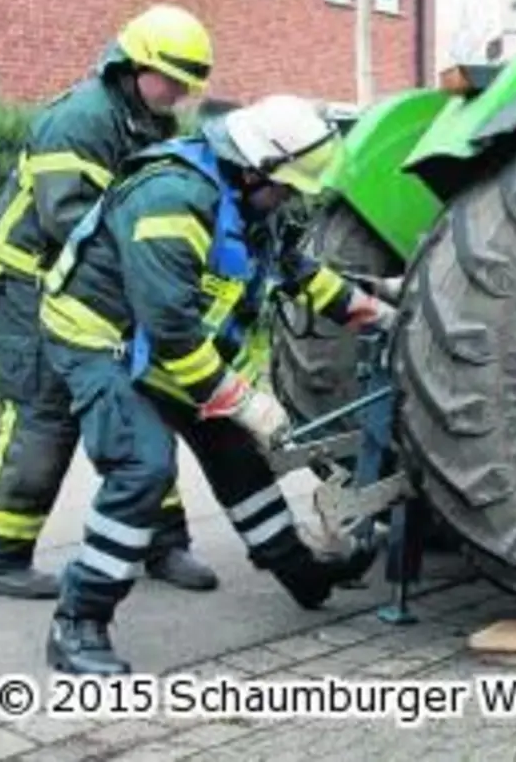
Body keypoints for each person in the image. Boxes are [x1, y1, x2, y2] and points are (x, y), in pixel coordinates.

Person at [36, 94, 398, 674]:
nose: (294, 199)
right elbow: (173, 333)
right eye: (289, 187)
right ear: (256, 168)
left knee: (239, 458)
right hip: (102, 341)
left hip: (165, 342)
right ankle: (77, 622)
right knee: (143, 467)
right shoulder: (169, 199)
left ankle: (302, 573)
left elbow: (296, 271)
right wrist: (247, 402)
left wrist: (378, 311)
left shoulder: (254, 201)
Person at [0, 4, 221, 599]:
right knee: (43, 415)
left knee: (140, 403)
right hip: (27, 284)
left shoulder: (150, 122)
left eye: (190, 82)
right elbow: (68, 219)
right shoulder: (80, 119)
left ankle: (159, 542)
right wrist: (147, 270)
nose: (182, 93)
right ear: (136, 66)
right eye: (174, 78)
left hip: (92, 284)